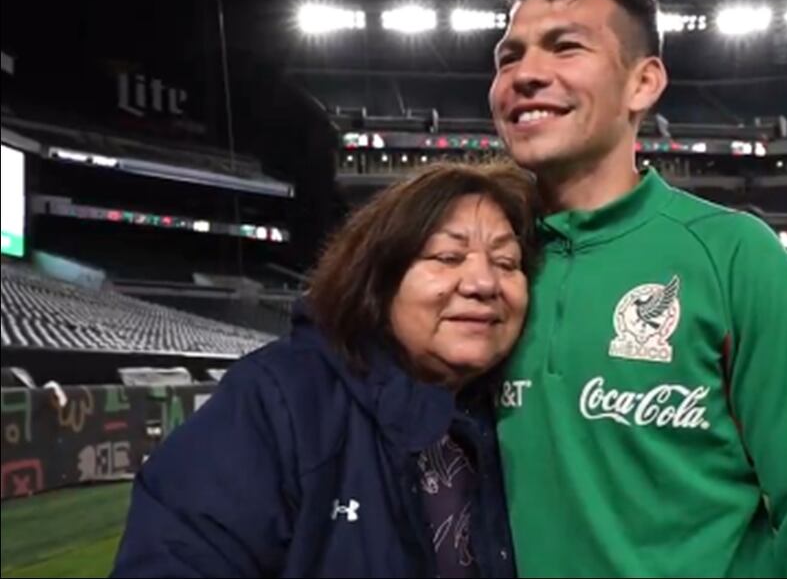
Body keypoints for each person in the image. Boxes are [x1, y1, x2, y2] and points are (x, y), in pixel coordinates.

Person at [488, 0, 787, 578]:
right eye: (508, 55)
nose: (525, 73)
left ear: (643, 82)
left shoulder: (733, 257)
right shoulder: (484, 268)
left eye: (566, 46)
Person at [112, 162, 541, 578]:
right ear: (379, 278)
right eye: (448, 256)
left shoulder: (520, 414)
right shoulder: (278, 401)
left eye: (506, 263)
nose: (483, 283)